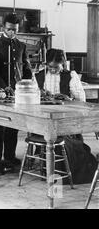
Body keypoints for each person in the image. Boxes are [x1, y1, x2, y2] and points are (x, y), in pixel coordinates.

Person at [34, 48, 98, 184]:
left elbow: (81, 100)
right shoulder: (39, 75)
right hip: (43, 117)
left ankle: (62, 170)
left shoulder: (70, 75)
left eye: (57, 67)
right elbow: (32, 96)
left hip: (65, 118)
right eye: (50, 67)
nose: (53, 70)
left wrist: (67, 98)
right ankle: (51, 165)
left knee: (65, 141)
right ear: (46, 64)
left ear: (62, 63)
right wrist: (41, 95)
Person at [0, 13, 32, 170]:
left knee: (14, 126)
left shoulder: (21, 46)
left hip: (17, 92)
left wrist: (26, 85)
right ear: (3, 28)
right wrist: (2, 87)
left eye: (15, 30)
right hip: (1, 92)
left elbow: (26, 69)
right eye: (10, 29)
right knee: (0, 125)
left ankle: (10, 157)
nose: (13, 32)